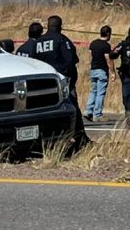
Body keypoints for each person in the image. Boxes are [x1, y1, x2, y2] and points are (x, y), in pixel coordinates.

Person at [33, 15, 89, 149]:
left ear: (47, 26)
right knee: (72, 108)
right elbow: (71, 60)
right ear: (60, 26)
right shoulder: (62, 40)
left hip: (43, 83)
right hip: (62, 81)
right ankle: (80, 138)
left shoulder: (38, 42)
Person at [83, 26, 115, 123]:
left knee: (93, 91)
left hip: (93, 69)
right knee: (100, 93)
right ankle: (97, 114)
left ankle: (88, 110)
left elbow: (90, 56)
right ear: (108, 34)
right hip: (102, 71)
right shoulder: (106, 46)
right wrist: (113, 72)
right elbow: (108, 59)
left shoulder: (93, 43)